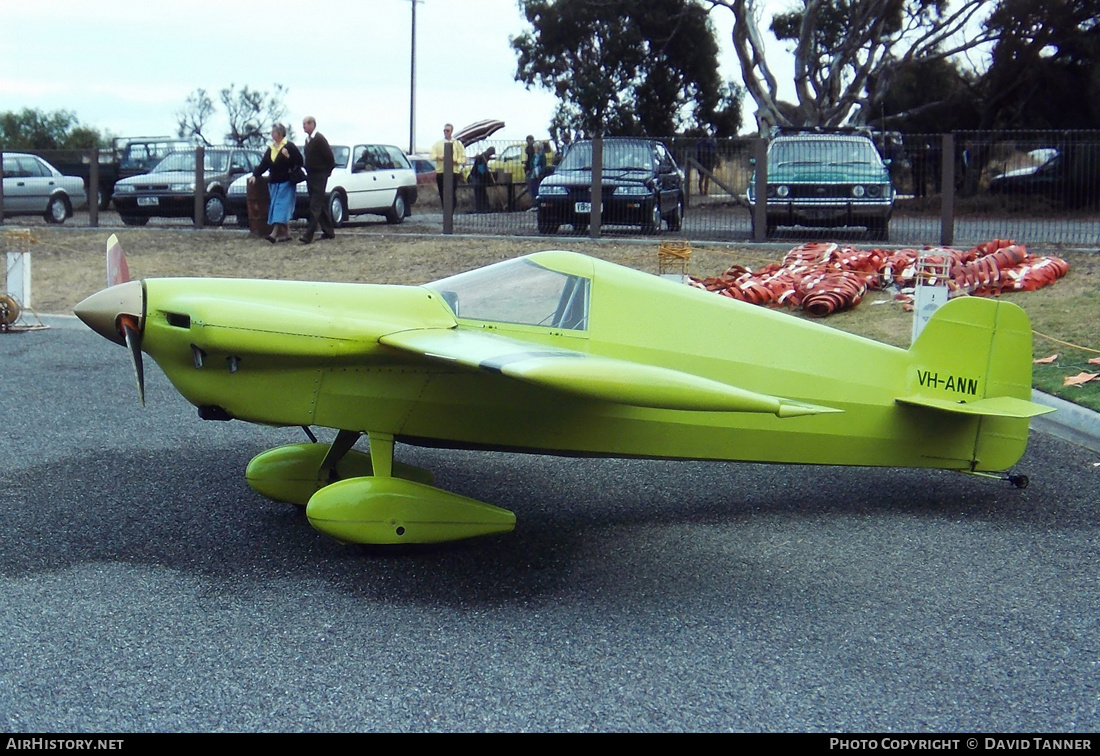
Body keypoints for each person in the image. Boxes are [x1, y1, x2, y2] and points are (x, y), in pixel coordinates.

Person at [248, 123, 303, 243]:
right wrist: (255, 175)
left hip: (286, 181)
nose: (271, 134)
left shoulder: (289, 146)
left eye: (273, 132)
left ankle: (273, 234)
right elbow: (264, 164)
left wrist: (288, 156)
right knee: (277, 206)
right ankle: (287, 233)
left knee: (280, 207)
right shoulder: (271, 148)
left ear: (279, 134)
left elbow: (300, 161)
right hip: (274, 182)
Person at [299, 115, 336, 244]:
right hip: (311, 175)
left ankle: (308, 235)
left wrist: (327, 171)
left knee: (314, 205)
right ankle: (329, 231)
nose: (303, 126)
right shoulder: (308, 140)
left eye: (305, 124)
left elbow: (330, 157)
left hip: (320, 175)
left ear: (312, 124)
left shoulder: (319, 139)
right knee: (319, 204)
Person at [428, 123, 467, 204]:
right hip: (441, 172)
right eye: (444, 130)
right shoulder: (438, 143)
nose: (445, 132)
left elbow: (463, 158)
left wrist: (455, 161)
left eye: (447, 130)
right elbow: (431, 155)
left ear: (451, 131)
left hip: (453, 172)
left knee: (451, 193)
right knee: (442, 193)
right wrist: (438, 157)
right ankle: (445, 211)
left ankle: (451, 211)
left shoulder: (457, 144)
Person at [470, 146, 496, 213]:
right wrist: (486, 173)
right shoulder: (482, 157)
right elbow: (480, 169)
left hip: (479, 176)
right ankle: (479, 208)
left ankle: (484, 207)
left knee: (482, 192)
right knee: (478, 191)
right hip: (476, 176)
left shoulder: (485, 157)